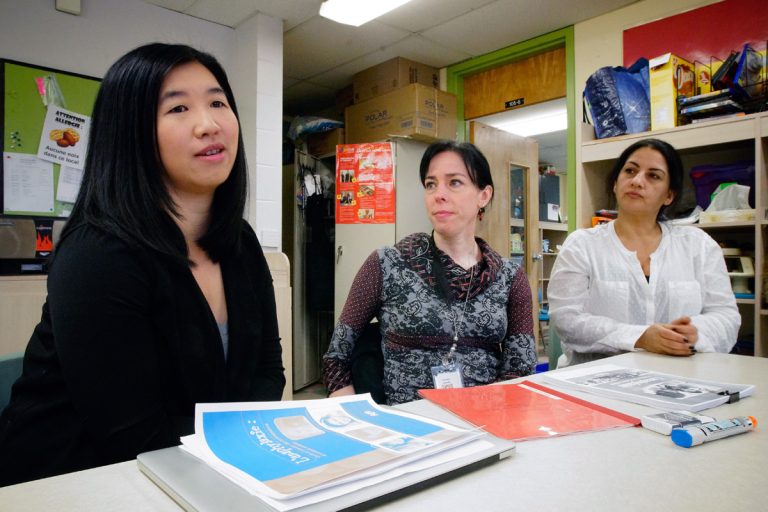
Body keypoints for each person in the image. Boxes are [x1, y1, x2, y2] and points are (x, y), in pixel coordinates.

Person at [0, 43, 285, 486]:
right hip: (71, 480)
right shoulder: (97, 254)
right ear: (130, 131)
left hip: (199, 469)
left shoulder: (241, 243)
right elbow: (129, 433)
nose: (208, 124)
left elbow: (267, 370)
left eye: (217, 102)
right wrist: (239, 455)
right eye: (177, 109)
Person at [323, 140, 537, 405]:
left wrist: (495, 423)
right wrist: (358, 419)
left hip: (484, 425)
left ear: (484, 195)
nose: (439, 194)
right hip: (406, 427)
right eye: (431, 184)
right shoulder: (387, 264)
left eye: (455, 182)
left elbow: (520, 369)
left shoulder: (509, 277)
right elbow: (336, 358)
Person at [548, 138, 740, 368]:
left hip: (680, 380)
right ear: (615, 184)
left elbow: (727, 318)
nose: (637, 181)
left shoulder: (699, 246)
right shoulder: (581, 246)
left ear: (669, 195)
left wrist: (692, 333)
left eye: (654, 175)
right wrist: (641, 337)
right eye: (630, 171)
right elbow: (567, 321)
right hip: (595, 381)